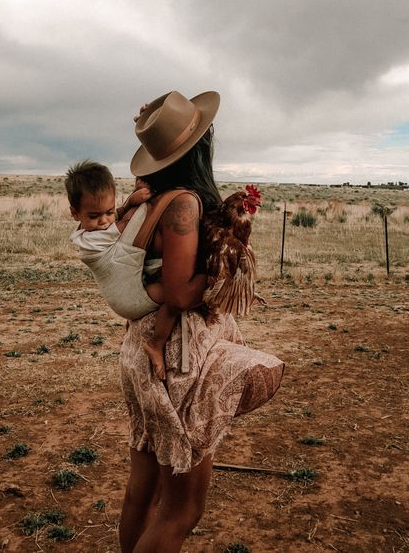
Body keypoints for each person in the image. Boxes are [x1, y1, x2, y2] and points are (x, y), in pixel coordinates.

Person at [119, 90, 284, 553]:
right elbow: (178, 292)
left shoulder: (143, 200)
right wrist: (220, 277)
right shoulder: (184, 205)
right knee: (181, 510)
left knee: (143, 493)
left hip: (141, 344)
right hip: (178, 357)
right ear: (198, 149)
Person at [66, 161, 185, 379]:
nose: (104, 221)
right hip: (128, 300)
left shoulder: (92, 225)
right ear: (75, 213)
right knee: (173, 295)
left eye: (109, 212)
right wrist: (138, 198)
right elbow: (129, 224)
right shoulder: (93, 239)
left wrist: (129, 200)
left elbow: (120, 214)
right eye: (94, 216)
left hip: (126, 285)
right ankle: (156, 344)